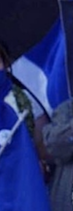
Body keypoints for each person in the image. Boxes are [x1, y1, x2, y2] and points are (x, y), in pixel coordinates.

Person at [0, 43, 51, 211]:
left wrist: (38, 162)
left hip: (24, 189)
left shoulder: (24, 98)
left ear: (5, 62)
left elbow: (43, 146)